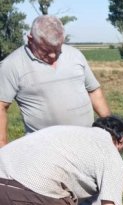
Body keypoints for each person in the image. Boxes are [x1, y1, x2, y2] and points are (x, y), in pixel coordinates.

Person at [0, 15, 111, 147]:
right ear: (30, 39)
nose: (53, 56)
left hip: (86, 143)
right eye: (45, 50)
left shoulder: (75, 55)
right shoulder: (12, 65)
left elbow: (94, 91)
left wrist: (112, 127)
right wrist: (3, 147)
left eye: (57, 49)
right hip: (44, 149)